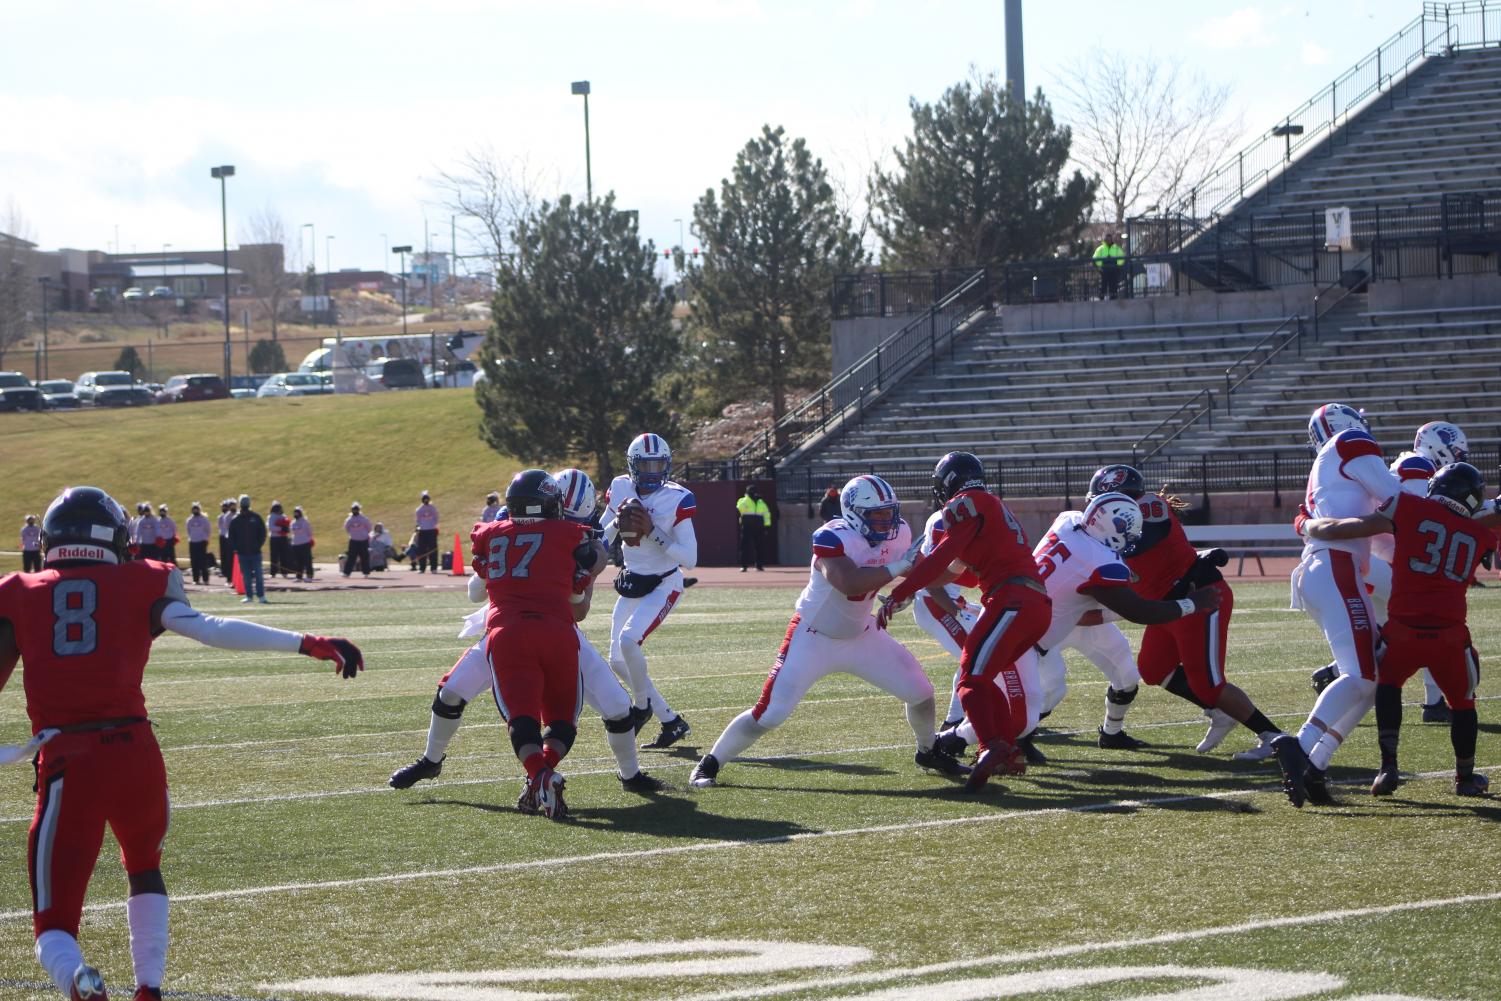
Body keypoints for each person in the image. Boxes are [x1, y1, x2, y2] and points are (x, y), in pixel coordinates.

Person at [0, 485, 362, 1001]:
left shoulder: (17, 590)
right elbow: (211, 628)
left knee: (53, 926)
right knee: (144, 866)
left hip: (69, 761)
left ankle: (79, 980)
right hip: (136, 755)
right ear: (115, 538)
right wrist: (306, 642)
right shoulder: (146, 579)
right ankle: (149, 986)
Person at [389, 469, 662, 797]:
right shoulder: (553, 532)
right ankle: (432, 760)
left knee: (618, 707)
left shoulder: (571, 534)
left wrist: (580, 573)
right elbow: (477, 592)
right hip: (507, 623)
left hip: (555, 625)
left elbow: (577, 612)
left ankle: (625, 776)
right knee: (450, 692)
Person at [690, 474, 966, 788]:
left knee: (921, 693)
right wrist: (899, 568)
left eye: (889, 512)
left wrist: (958, 564)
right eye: (876, 514)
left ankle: (928, 750)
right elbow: (848, 583)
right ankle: (710, 763)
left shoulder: (898, 533)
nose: (886, 521)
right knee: (770, 714)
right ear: (852, 513)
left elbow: (927, 575)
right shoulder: (832, 537)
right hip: (813, 637)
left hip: (863, 634)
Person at [1302, 462, 1495, 798]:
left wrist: (1307, 524)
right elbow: (1471, 529)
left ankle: (1387, 765)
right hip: (1450, 636)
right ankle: (1465, 779)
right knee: (1464, 704)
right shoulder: (1481, 534)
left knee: (1388, 686)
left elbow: (1342, 528)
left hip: (1403, 632)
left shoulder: (1409, 507)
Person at [1090, 465, 1290, 761]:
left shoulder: (1148, 506)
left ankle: (1275, 738)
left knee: (1208, 683)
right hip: (1168, 608)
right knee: (1153, 668)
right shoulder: (1117, 521)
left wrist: (1105, 544)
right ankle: (1219, 712)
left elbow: (1142, 540)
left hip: (1199, 599)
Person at [880, 451, 1050, 792]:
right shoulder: (988, 507)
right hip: (1031, 603)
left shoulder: (964, 505)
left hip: (1013, 599)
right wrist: (916, 581)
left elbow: (942, 556)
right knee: (984, 678)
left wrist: (901, 591)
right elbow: (955, 573)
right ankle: (1006, 750)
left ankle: (993, 746)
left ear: (946, 484)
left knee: (970, 680)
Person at [1280, 404, 1400, 806]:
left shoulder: (1330, 468)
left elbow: (1383, 530)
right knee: (1362, 675)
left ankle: (1316, 764)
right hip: (1335, 564)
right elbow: (1396, 500)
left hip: (1330, 566)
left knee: (1372, 676)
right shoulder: (1350, 443)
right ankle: (1300, 746)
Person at [472, 469, 608, 819]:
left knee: (523, 720)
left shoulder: (491, 533)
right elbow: (583, 586)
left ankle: (539, 775)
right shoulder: (570, 535)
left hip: (509, 634)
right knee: (562, 722)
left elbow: (480, 578)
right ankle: (543, 775)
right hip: (558, 633)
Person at [602, 433, 698, 749]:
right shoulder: (620, 488)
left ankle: (641, 708)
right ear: (633, 466)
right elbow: (603, 537)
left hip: (664, 582)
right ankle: (670, 721)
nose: (652, 471)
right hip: (634, 581)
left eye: (658, 464)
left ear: (667, 464)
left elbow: (690, 558)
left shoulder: (676, 498)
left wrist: (653, 532)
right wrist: (618, 523)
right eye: (646, 464)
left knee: (630, 641)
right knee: (617, 660)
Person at [228, 495, 268, 604]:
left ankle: (261, 596)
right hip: (243, 554)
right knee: (246, 576)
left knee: (259, 575)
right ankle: (249, 596)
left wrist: (258, 545)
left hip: (255, 553)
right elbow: (231, 536)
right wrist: (237, 548)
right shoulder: (236, 520)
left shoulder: (256, 518)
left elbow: (263, 533)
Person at [736, 484, 772, 572]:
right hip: (747, 526)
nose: (753, 493)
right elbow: (739, 509)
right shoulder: (743, 500)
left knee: (759, 547)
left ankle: (759, 565)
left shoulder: (761, 502)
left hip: (759, 527)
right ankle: (744, 566)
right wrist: (748, 498)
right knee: (745, 547)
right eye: (751, 491)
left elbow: (766, 514)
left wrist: (767, 526)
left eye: (754, 491)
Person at [184, 502, 213, 585]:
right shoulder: (189, 520)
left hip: (201, 542)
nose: (195, 510)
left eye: (197, 509)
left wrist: (205, 539)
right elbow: (188, 531)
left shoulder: (204, 519)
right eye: (194, 509)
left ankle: (205, 579)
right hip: (193, 542)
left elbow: (208, 530)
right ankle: (195, 579)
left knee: (203, 562)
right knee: (194, 562)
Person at [1093, 231, 1125, 299]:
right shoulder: (1100, 249)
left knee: (1113, 287)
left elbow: (1122, 258)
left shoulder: (1116, 248)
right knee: (1103, 287)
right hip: (1104, 270)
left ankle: (1113, 300)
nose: (1108, 241)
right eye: (1107, 239)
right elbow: (1095, 258)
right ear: (1104, 240)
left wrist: (1118, 266)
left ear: (1111, 239)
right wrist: (1100, 266)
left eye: (1109, 239)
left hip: (1114, 270)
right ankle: (1101, 300)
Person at [413, 491, 440, 573]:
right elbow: (418, 520)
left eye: (427, 499)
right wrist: (419, 527)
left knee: (433, 549)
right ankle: (422, 568)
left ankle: (434, 568)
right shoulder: (419, 510)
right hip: (423, 531)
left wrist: (433, 525)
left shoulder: (433, 508)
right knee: (422, 550)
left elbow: (436, 518)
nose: (426, 501)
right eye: (424, 499)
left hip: (431, 530)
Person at [343, 502, 372, 577]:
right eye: (353, 509)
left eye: (356, 509)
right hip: (353, 540)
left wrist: (363, 534)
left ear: (359, 510)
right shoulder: (349, 519)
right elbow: (346, 528)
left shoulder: (364, 519)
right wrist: (353, 534)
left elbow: (369, 528)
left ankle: (366, 572)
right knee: (351, 557)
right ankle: (347, 572)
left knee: (364, 556)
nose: (355, 511)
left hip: (363, 540)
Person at [266, 502, 292, 578]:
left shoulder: (283, 516)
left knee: (284, 555)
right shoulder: (271, 517)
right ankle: (273, 573)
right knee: (274, 556)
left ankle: (284, 572)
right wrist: (281, 529)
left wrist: (286, 529)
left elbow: (288, 525)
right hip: (274, 538)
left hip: (283, 538)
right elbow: (271, 528)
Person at [290, 506, 314, 582]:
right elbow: (293, 531)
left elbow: (309, 532)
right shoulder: (293, 522)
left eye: (297, 512)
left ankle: (309, 576)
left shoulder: (305, 521)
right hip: (296, 544)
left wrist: (309, 539)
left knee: (307, 561)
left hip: (305, 543)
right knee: (298, 561)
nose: (296, 514)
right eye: (295, 513)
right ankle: (298, 576)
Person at [217, 499, 237, 584]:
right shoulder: (226, 516)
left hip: (237, 538)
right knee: (229, 558)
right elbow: (227, 527)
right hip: (229, 538)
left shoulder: (237, 514)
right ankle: (229, 578)